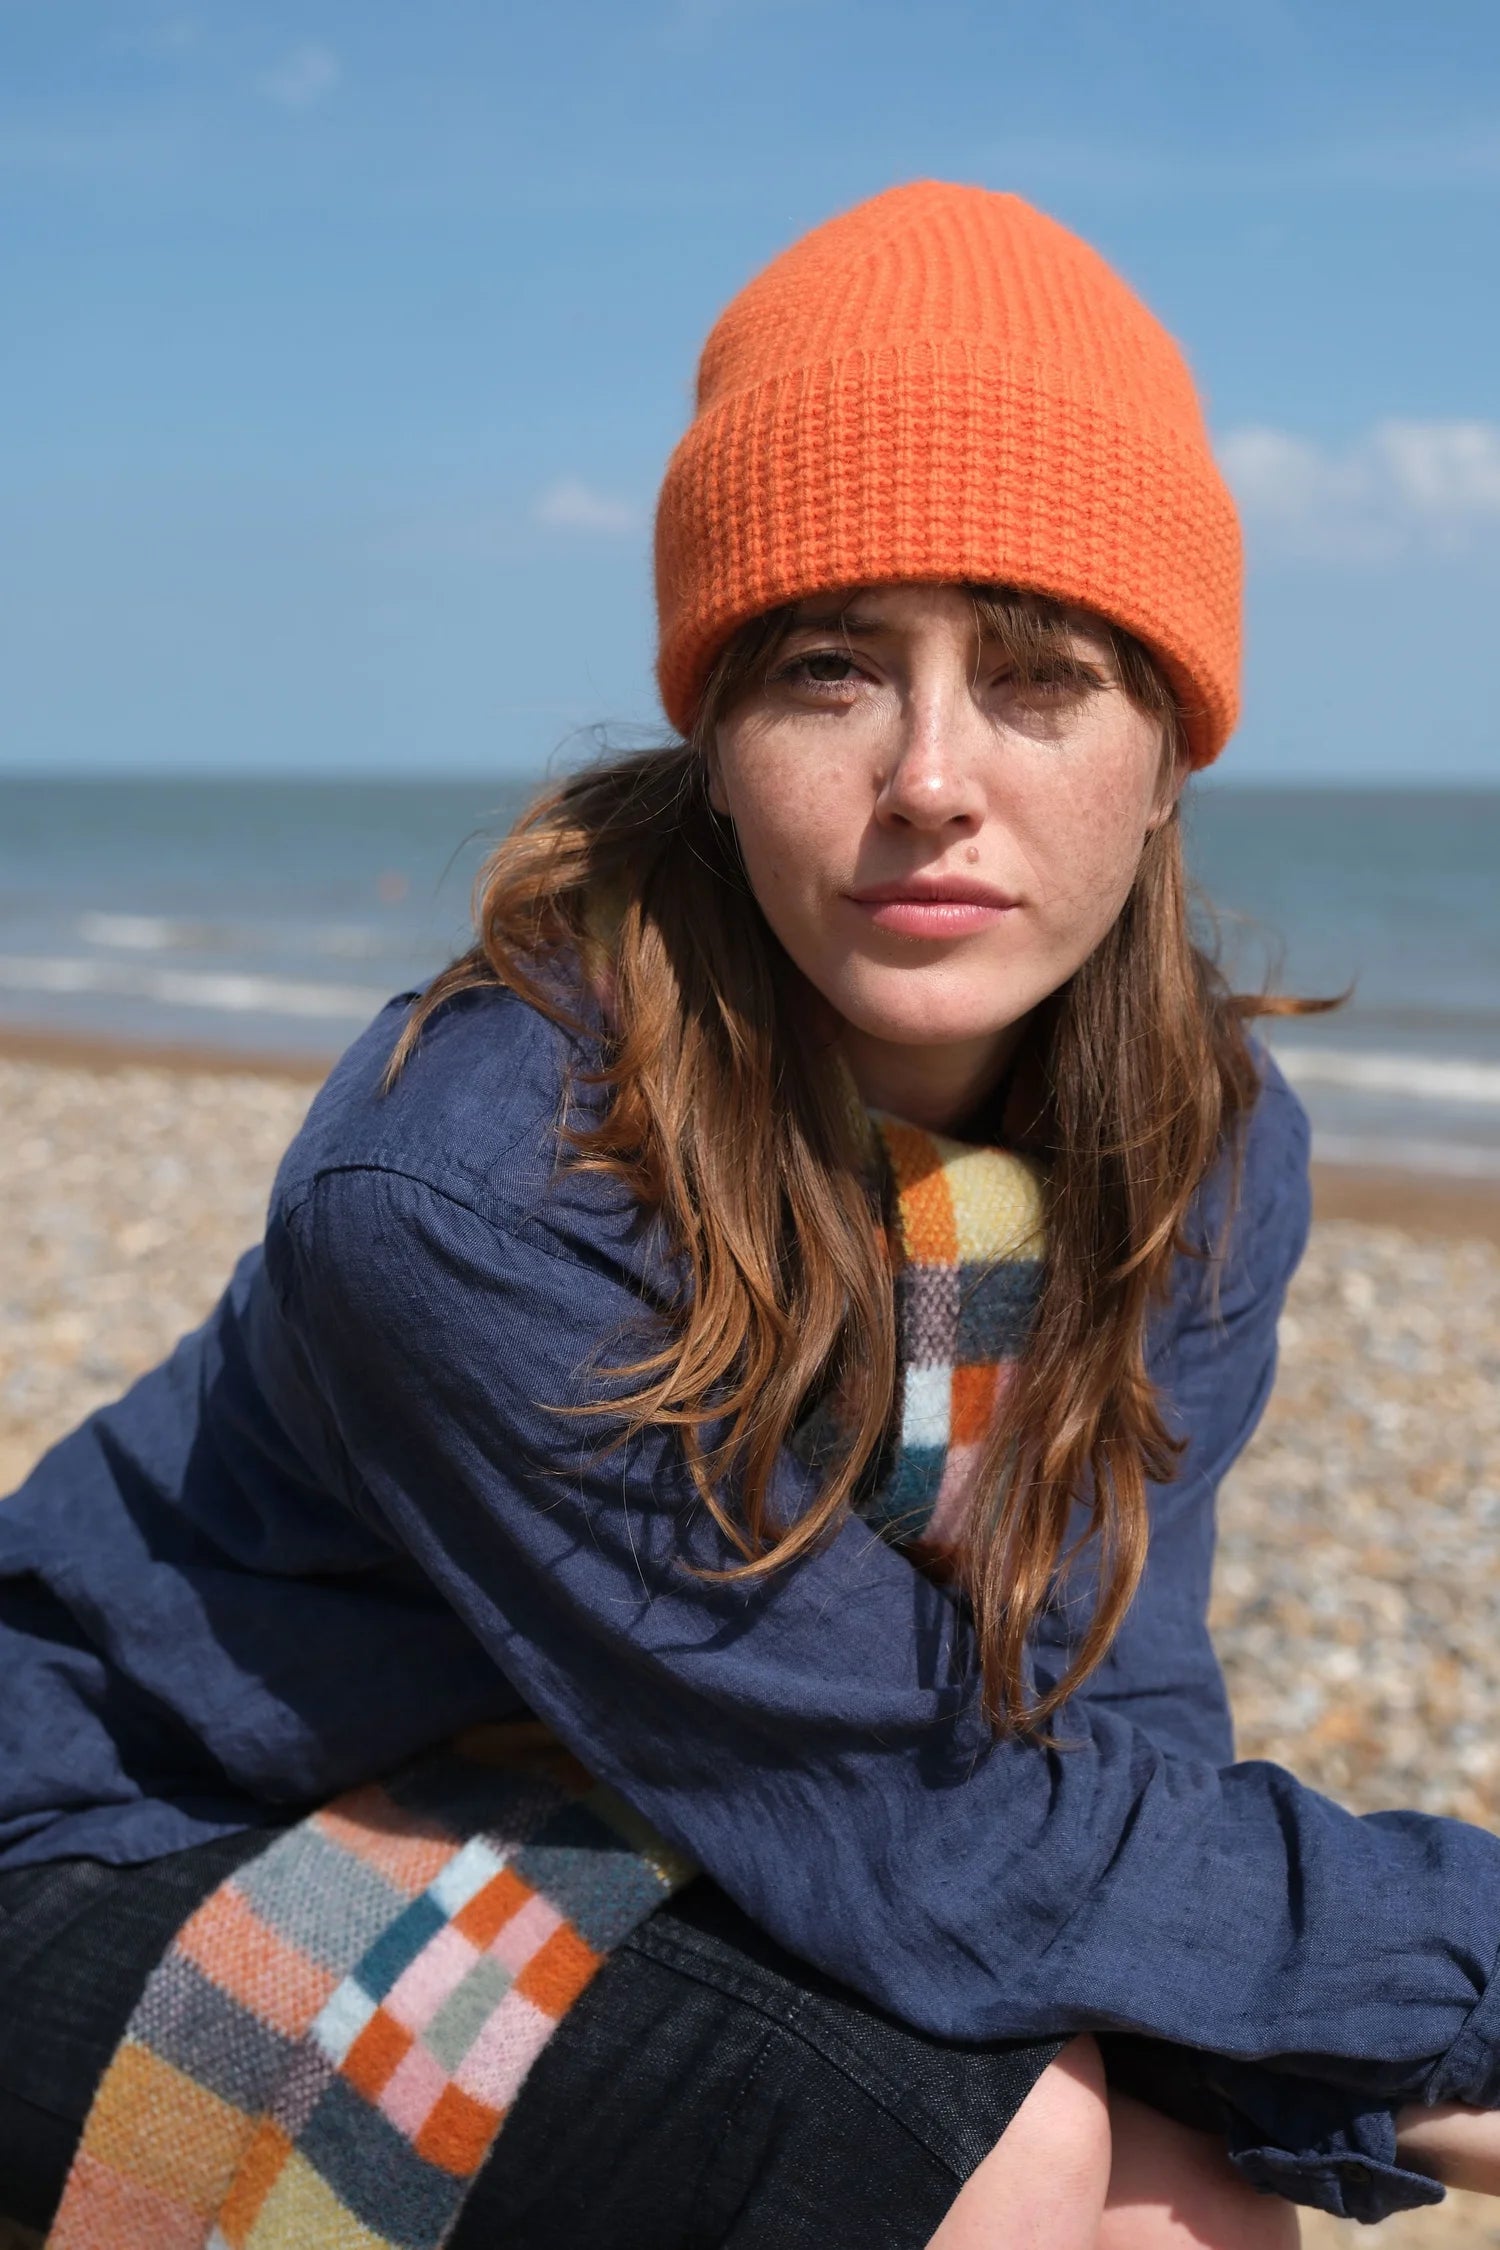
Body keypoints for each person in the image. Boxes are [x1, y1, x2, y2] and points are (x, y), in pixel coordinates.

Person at [4, 181, 1500, 2250]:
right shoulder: (473, 1178)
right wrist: (1452, 2001)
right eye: (827, 669)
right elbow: (929, 1833)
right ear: (713, 742)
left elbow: (1099, 1702)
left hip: (627, 1795)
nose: (930, 777)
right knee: (1012, 2147)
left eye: (1044, 674)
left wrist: (1325, 2056)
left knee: (1184, 2194)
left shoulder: (1212, 1146)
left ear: (1170, 753)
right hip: (126, 1835)